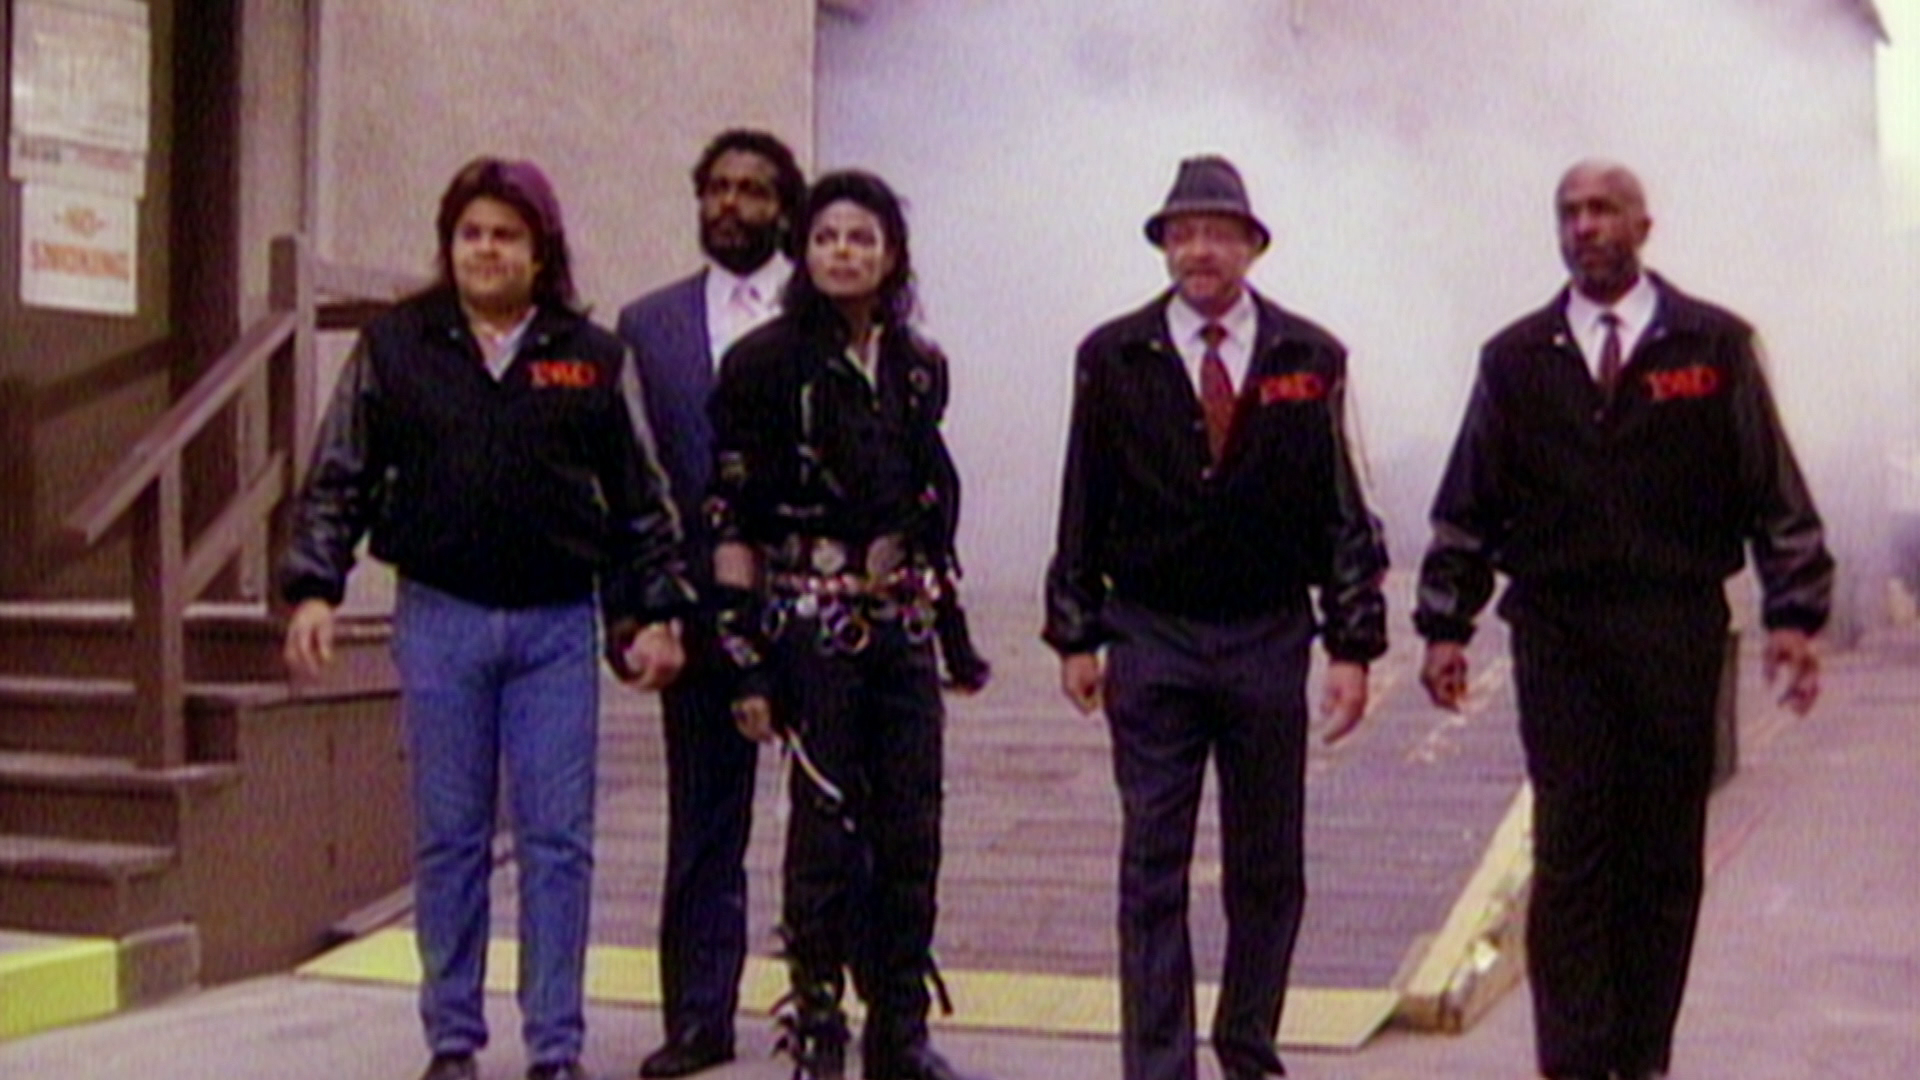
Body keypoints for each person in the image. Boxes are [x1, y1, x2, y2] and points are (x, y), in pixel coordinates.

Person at [1413, 159, 1833, 1080]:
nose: (1585, 227)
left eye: (1604, 210)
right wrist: (1446, 623)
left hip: (1674, 630)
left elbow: (1772, 488)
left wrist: (1794, 613)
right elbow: (1469, 502)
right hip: (1560, 634)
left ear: (1645, 226)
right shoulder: (1516, 359)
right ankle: (1572, 1064)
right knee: (1570, 855)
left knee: (1661, 857)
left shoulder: (1712, 347)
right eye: (1569, 212)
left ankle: (1642, 1059)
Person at [280, 157, 693, 1080]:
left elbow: (640, 500)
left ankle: (556, 1046)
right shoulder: (396, 346)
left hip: (555, 630)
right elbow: (339, 475)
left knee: (557, 845)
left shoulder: (593, 356)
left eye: (507, 235)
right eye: (471, 233)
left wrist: (655, 612)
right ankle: (452, 1041)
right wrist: (314, 587)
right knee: (450, 839)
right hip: (441, 621)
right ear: (450, 245)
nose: (487, 250)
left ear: (541, 252)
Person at [1042, 154, 1389, 1080]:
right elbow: (1083, 496)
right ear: (1163, 246)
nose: (1199, 250)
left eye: (1218, 233)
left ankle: (1248, 1044)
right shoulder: (1113, 356)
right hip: (1151, 635)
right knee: (1151, 864)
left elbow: (1345, 511)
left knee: (1268, 866)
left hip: (1267, 636)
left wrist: (1353, 644)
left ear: (1251, 246)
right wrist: (1075, 630)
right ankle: (1159, 1066)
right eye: (1182, 233)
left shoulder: (1309, 358)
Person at [706, 169, 987, 1080]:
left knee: (912, 825)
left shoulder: (918, 365)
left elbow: (928, 499)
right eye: (826, 236)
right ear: (804, 250)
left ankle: (899, 1027)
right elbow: (730, 518)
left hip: (901, 624)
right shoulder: (761, 364)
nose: (843, 252)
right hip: (807, 626)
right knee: (823, 827)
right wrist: (747, 661)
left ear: (891, 254)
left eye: (861, 237)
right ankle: (819, 1024)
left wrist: (951, 630)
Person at [615, 128, 807, 1079]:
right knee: (703, 824)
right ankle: (697, 1017)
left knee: (840, 820)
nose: (731, 204)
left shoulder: (827, 305)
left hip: (815, 600)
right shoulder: (648, 324)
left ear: (785, 208)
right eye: (717, 188)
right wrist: (638, 609)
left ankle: (840, 1010)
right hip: (696, 609)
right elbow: (629, 478)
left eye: (753, 189)